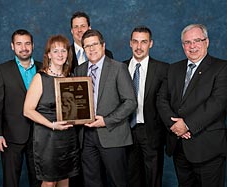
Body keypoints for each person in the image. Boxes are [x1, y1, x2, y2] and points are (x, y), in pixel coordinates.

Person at [157, 24, 227, 187]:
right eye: (187, 42)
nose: (192, 46)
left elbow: (218, 102)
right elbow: (161, 99)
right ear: (183, 46)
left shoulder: (222, 68)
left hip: (208, 147)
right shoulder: (174, 68)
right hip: (179, 145)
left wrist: (187, 125)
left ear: (207, 42)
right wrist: (174, 124)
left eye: (197, 40)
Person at [74, 29, 137, 187]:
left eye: (95, 44)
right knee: (91, 182)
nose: (92, 49)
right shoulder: (79, 70)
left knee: (118, 182)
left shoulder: (118, 68)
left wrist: (106, 121)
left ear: (103, 46)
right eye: (87, 46)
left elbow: (130, 102)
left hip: (112, 134)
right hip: (86, 135)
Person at [23, 35, 80, 187]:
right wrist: (52, 124)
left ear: (68, 54)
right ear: (48, 54)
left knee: (64, 179)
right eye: (55, 51)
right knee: (49, 182)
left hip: (67, 136)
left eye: (63, 50)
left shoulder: (71, 77)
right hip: (47, 137)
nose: (60, 54)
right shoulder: (40, 78)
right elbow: (28, 110)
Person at [0, 29, 42, 187]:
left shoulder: (43, 68)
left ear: (32, 45)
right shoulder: (2, 70)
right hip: (11, 136)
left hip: (39, 134)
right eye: (19, 43)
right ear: (12, 46)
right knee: (11, 180)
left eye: (27, 43)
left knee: (38, 179)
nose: (23, 47)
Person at [123, 26, 168, 187]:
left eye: (143, 42)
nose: (139, 46)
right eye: (135, 41)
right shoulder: (120, 68)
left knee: (153, 178)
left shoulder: (163, 69)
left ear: (151, 44)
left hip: (151, 133)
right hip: (126, 132)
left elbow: (165, 103)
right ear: (130, 43)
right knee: (131, 178)